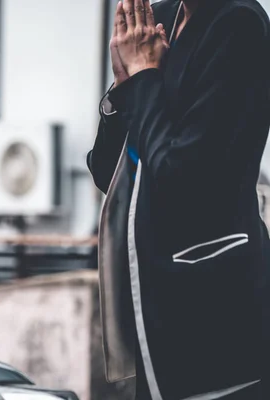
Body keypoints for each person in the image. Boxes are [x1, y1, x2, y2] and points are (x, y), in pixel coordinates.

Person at [88, 0, 269, 398]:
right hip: (150, 309)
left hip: (218, 315)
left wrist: (146, 77)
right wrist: (124, 86)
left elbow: (183, 178)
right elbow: (109, 171)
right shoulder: (159, 20)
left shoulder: (240, 25)